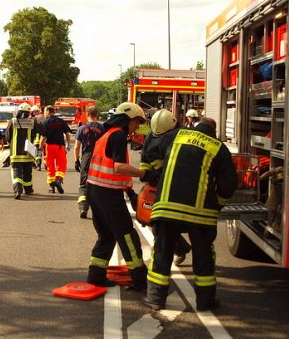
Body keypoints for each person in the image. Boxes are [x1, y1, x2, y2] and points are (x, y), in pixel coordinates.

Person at [144, 118, 238, 312]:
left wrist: (159, 173)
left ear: (196, 126)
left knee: (162, 251)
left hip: (166, 208)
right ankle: (205, 302)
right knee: (203, 256)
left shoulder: (176, 135)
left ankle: (155, 299)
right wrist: (218, 204)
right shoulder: (219, 148)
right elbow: (228, 185)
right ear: (214, 131)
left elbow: (151, 150)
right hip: (200, 214)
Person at [85, 101, 149, 290]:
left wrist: (129, 190)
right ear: (126, 119)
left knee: (106, 235)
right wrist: (144, 174)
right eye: (136, 122)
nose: (137, 126)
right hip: (108, 195)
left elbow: (113, 171)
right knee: (127, 235)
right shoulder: (119, 135)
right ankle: (139, 279)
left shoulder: (106, 135)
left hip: (94, 191)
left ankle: (95, 276)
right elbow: (119, 167)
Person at [139, 109, 192, 266]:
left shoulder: (183, 137)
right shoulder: (152, 135)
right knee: (155, 222)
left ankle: (166, 259)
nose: (159, 139)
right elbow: (145, 159)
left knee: (166, 224)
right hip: (158, 184)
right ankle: (180, 248)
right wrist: (146, 180)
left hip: (178, 185)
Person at [3, 102, 43, 200]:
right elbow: (42, 130)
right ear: (29, 112)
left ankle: (18, 190)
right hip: (28, 153)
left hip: (15, 153)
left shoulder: (12, 121)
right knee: (27, 172)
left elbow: (7, 136)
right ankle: (28, 189)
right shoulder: (32, 122)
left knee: (16, 172)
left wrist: (11, 143)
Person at [73, 105, 105, 218]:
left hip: (86, 157)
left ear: (87, 114)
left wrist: (76, 160)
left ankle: (83, 207)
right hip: (100, 158)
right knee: (99, 183)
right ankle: (100, 209)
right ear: (97, 115)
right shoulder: (102, 128)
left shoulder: (82, 128)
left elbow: (77, 147)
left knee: (84, 183)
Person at [41, 105, 72, 194]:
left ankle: (52, 187)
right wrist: (68, 145)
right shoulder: (61, 121)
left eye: (44, 112)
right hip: (60, 147)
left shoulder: (45, 122)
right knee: (62, 165)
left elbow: (43, 137)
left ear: (48, 111)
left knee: (50, 166)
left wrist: (40, 148)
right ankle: (58, 181)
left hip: (49, 147)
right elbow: (67, 134)